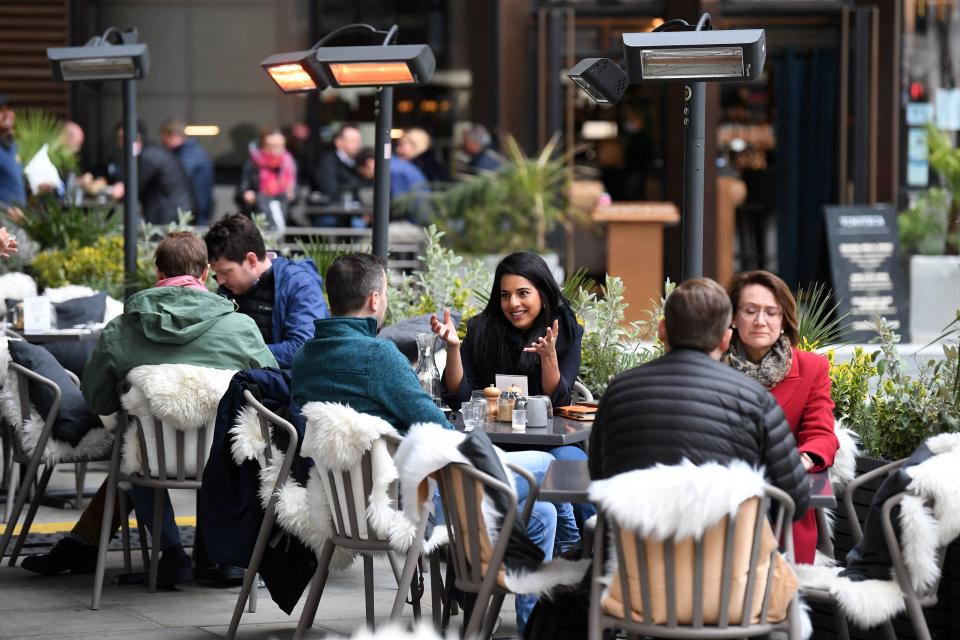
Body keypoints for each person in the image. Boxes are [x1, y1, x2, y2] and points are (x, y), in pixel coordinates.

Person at [291, 253, 560, 632]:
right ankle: (539, 616)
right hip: (408, 501)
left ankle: (500, 613)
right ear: (374, 300)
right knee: (548, 467)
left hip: (345, 504)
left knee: (543, 513)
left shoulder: (305, 358)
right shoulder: (378, 355)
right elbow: (433, 425)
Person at [21, 232, 277, 582]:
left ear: (158, 272)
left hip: (150, 461)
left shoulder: (121, 330)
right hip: (225, 458)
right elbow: (271, 390)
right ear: (204, 273)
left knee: (134, 433)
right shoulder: (241, 327)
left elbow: (98, 401)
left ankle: (170, 551)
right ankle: (229, 552)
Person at [588, 278, 811, 519]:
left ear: (662, 330)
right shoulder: (755, 399)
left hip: (632, 552)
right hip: (726, 554)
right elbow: (794, 499)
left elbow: (600, 475)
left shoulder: (618, 391)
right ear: (725, 339)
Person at [431, 251, 589, 552]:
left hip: (550, 444)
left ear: (542, 294)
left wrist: (549, 358)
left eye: (523, 294)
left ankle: (587, 559)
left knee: (575, 469)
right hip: (495, 444)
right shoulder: (482, 328)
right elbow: (459, 397)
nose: (513, 304)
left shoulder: (564, 329)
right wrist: (453, 349)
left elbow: (559, 401)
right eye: (505, 295)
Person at [725, 270, 838, 564]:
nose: (760, 321)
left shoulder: (811, 368)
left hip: (785, 512)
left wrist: (800, 461)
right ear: (734, 318)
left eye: (771, 312)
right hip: (720, 505)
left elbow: (822, 436)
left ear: (783, 319)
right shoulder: (712, 364)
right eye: (750, 311)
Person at [204, 212, 327, 369]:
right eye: (217, 274)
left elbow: (304, 348)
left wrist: (239, 354)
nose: (219, 281)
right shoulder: (227, 289)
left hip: (284, 389)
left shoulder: (299, 284)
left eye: (226, 272)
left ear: (251, 260)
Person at [111, 122, 195, 225]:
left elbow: (134, 187)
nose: (119, 144)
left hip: (170, 213)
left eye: (122, 140)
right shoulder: (152, 151)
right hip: (175, 209)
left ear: (135, 139)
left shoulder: (149, 156)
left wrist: (121, 189)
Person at [235, 128, 297, 229]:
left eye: (279, 146)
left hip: (284, 217)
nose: (275, 150)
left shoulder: (290, 164)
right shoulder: (252, 163)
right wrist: (247, 195)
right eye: (270, 146)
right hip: (256, 217)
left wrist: (293, 194)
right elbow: (241, 191)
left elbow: (296, 191)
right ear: (263, 146)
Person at [160, 118, 215, 225]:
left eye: (164, 137)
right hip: (197, 208)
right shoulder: (191, 151)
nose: (163, 141)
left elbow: (176, 177)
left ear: (174, 136)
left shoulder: (188, 154)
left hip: (195, 210)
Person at [354, 146, 428, 223]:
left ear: (369, 163)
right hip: (417, 218)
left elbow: (398, 205)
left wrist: (373, 216)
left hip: (415, 223)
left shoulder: (390, 171)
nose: (364, 177)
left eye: (362, 172)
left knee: (369, 234)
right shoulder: (394, 164)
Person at [0, 94, 26, 217]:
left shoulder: (13, 145)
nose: (8, 115)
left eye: (10, 110)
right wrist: (7, 209)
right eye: (1, 111)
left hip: (18, 223)